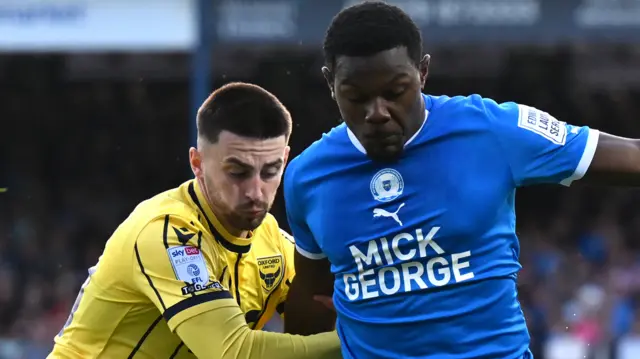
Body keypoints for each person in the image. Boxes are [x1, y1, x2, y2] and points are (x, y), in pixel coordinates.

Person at [282, 2, 640, 359]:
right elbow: (311, 303)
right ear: (330, 83)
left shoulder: (490, 129)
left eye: (395, 92)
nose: (377, 112)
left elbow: (628, 157)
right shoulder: (307, 176)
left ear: (422, 72)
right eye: (356, 97)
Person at [48, 82, 341, 359]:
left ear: (286, 159)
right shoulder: (166, 232)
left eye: (270, 172)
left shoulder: (273, 243)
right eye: (237, 173)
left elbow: (322, 311)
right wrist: (366, 341)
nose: (255, 192)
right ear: (197, 164)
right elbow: (233, 353)